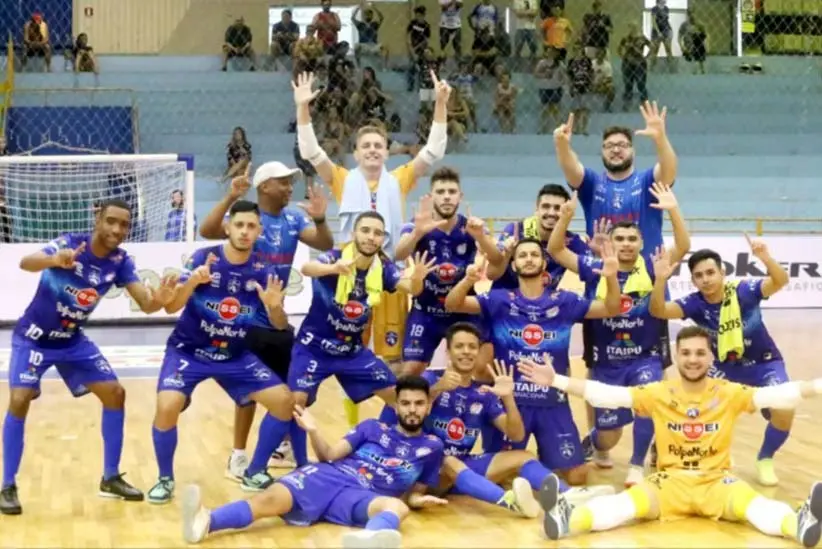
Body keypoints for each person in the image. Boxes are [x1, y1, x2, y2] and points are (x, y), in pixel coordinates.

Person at [520, 326, 822, 548]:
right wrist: (557, 380)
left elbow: (778, 395)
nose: (693, 359)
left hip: (716, 482)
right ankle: (566, 520)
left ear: (711, 357)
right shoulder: (659, 392)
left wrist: (818, 386)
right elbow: (607, 395)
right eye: (686, 353)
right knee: (624, 506)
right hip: (669, 484)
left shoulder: (728, 392)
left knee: (755, 507)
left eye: (700, 353)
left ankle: (798, 525)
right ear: (676, 356)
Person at [295, 69, 450, 429]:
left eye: (378, 145)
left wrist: (441, 104)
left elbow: (434, 150)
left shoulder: (400, 179)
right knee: (346, 352)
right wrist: (302, 108)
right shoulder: (342, 178)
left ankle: (395, 429)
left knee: (392, 360)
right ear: (356, 152)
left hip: (388, 276)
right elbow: (311, 151)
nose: (372, 150)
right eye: (366, 146)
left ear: (386, 151)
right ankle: (349, 428)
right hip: (348, 277)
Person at [1, 199, 177, 515]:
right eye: (111, 221)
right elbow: (26, 262)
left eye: (124, 224)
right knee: (19, 398)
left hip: (72, 341)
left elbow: (146, 304)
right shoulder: (70, 243)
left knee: (115, 393)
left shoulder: (121, 262)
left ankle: (110, 477)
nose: (117, 229)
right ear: (98, 219)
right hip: (34, 338)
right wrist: (54, 259)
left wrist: (161, 301)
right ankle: (7, 485)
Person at [179, 375, 447, 548]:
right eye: (406, 403)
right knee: (268, 500)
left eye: (418, 403)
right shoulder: (372, 427)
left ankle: (367, 541)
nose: (412, 409)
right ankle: (205, 521)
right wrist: (313, 430)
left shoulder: (433, 447)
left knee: (396, 506)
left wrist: (417, 501)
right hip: (329, 475)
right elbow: (329, 455)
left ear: (428, 407)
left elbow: (414, 493)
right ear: (396, 406)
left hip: (364, 495)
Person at [553, 101, 679, 464]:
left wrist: (661, 137)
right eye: (610, 146)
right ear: (603, 152)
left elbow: (669, 169)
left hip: (649, 280)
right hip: (603, 280)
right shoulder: (593, 183)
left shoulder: (647, 180)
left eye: (623, 145)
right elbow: (571, 169)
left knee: (656, 362)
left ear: (633, 150)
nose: (616, 149)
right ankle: (600, 442)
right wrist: (562, 144)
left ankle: (658, 440)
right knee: (596, 363)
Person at [148, 200, 298, 501]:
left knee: (284, 401)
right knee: (167, 406)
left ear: (259, 232)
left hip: (235, 356)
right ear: (227, 227)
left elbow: (280, 325)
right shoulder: (204, 258)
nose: (244, 231)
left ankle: (255, 471)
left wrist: (274, 307)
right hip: (189, 352)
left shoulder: (264, 271)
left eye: (251, 226)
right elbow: (172, 307)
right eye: (239, 225)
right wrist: (193, 281)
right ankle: (164, 479)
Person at [443, 237, 622, 485]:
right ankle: (533, 467)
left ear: (544, 263)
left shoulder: (565, 302)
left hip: (552, 402)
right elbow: (453, 304)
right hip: (510, 404)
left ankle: (547, 459)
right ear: (513, 265)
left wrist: (611, 277)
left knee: (578, 476)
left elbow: (611, 308)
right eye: (522, 255)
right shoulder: (499, 300)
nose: (529, 259)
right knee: (502, 477)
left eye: (534, 255)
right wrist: (468, 280)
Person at [382, 322, 614, 512]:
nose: (466, 352)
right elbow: (402, 413)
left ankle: (568, 495)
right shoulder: (428, 381)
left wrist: (508, 397)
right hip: (424, 471)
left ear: (479, 352)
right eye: (459, 346)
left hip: (462, 469)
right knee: (448, 461)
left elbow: (516, 434)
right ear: (448, 352)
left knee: (523, 456)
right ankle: (510, 502)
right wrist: (436, 390)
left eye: (472, 347)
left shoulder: (483, 393)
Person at [547, 183, 690, 485]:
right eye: (620, 239)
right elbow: (556, 250)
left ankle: (637, 464)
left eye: (632, 239)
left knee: (648, 398)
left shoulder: (653, 266)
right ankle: (595, 441)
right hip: (606, 362)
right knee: (608, 436)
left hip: (644, 356)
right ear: (610, 243)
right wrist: (566, 218)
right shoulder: (593, 267)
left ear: (641, 243)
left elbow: (683, 245)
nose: (626, 244)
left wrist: (673, 210)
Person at [199, 163, 334, 478]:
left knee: (291, 391)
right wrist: (230, 196)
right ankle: (237, 456)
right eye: (283, 182)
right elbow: (207, 230)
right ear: (264, 186)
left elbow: (324, 243)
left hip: (277, 319)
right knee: (248, 395)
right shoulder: (249, 222)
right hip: (246, 324)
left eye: (290, 182)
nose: (289, 187)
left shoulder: (293, 219)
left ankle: (282, 447)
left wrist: (319, 219)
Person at [649, 235, 793, 487]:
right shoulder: (694, 304)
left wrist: (765, 258)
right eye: (699, 275)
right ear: (693, 280)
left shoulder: (744, 292)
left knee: (785, 407)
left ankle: (765, 458)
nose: (705, 279)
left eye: (710, 273)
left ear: (722, 272)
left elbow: (781, 280)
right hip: (724, 368)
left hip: (764, 363)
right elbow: (658, 311)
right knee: (693, 408)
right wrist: (660, 280)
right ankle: (684, 452)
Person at [289, 212, 434, 429]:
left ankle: (388, 440)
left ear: (382, 239)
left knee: (400, 399)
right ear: (354, 233)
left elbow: (412, 289)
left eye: (377, 233)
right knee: (295, 403)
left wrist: (417, 278)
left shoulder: (383, 268)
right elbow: (307, 268)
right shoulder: (337, 256)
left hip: (351, 352)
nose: (371, 237)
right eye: (365, 230)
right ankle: (287, 445)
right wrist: (334, 269)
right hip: (314, 347)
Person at [394, 167, 498, 376]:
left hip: (463, 308)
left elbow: (497, 258)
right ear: (432, 196)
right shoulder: (416, 225)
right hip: (426, 310)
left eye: (452, 191)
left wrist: (481, 237)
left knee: (484, 370)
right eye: (440, 192)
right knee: (410, 371)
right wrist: (417, 233)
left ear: (460, 196)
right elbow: (398, 254)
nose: (447, 197)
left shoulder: (471, 226)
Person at [486, 183, 588, 292]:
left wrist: (597, 250)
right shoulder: (515, 231)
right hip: (503, 300)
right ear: (537, 208)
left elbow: (594, 270)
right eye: (546, 206)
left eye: (558, 208)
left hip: (542, 302)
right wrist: (507, 255)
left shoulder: (570, 241)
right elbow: (491, 274)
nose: (551, 213)